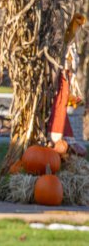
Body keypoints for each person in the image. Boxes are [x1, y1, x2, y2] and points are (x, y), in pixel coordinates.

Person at [48, 13, 87, 157]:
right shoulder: (62, 52)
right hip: (62, 83)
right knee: (60, 105)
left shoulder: (71, 49)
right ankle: (56, 136)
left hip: (67, 84)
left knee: (63, 105)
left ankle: (64, 139)